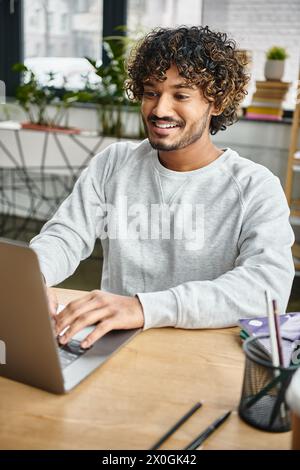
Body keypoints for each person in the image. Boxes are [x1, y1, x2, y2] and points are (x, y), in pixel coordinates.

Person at [30, 26, 295, 349]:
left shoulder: (255, 187)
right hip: (110, 344)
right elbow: (65, 236)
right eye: (151, 92)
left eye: (181, 95)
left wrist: (144, 307)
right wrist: (33, 278)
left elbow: (266, 290)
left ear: (216, 103)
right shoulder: (113, 164)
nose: (159, 110)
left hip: (200, 353)